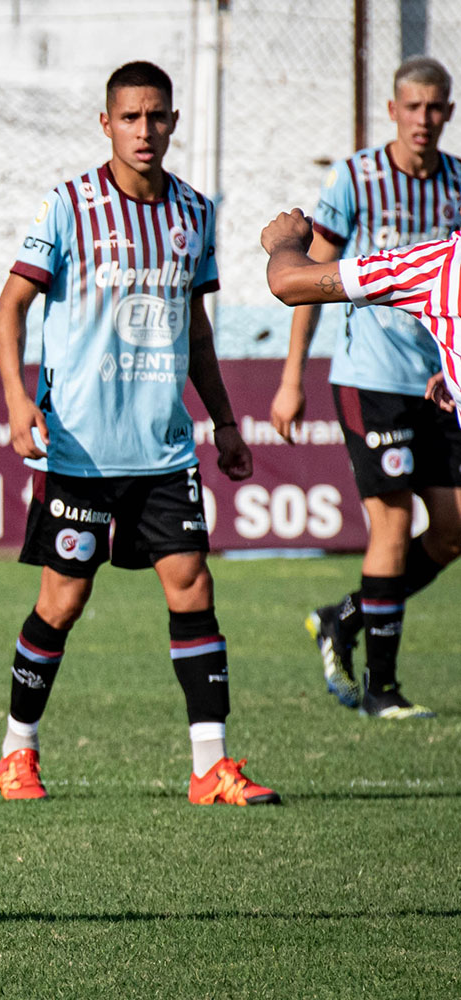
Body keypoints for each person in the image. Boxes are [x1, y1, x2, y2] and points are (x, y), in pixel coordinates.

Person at [0, 61, 278, 806]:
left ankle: (210, 764)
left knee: (192, 585)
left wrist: (222, 420)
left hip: (163, 447)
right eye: (130, 118)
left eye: (157, 117)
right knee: (63, 601)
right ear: (106, 123)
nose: (144, 130)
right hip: (81, 447)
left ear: (174, 122)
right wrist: (19, 400)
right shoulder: (69, 205)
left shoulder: (194, 212)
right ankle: (17, 750)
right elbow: (10, 306)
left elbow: (198, 331)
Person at [267, 57, 461, 720]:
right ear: (393, 111)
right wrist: (291, 378)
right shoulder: (354, 180)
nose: (424, 120)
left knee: (455, 526)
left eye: (436, 109)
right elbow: (311, 281)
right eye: (413, 108)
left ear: (448, 114)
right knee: (395, 519)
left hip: (437, 381)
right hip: (368, 375)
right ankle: (383, 688)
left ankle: (343, 616)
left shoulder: (458, 183)